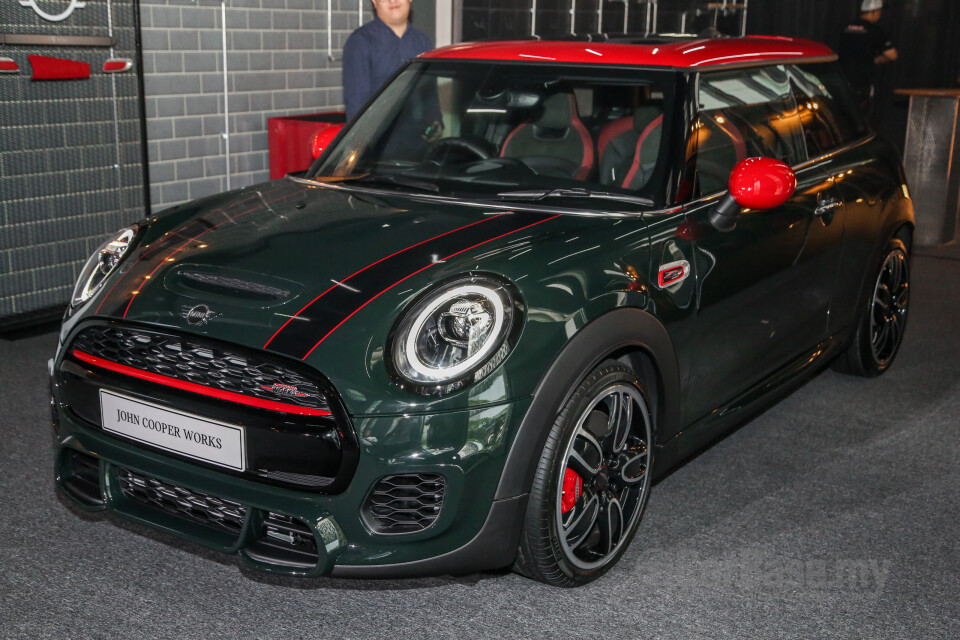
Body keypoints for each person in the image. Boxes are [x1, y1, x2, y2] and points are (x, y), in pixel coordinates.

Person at [342, 0, 433, 120]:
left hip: (417, 135)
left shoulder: (423, 43)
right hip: (377, 135)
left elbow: (430, 95)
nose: (393, 1)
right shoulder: (360, 42)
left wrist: (434, 123)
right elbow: (356, 103)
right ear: (375, 2)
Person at [838, 0, 898, 117]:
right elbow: (892, 55)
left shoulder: (846, 26)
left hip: (842, 79)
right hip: (861, 82)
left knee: (842, 116)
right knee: (860, 117)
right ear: (875, 12)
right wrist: (879, 58)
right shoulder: (875, 30)